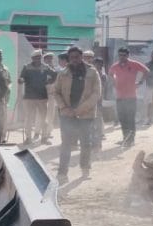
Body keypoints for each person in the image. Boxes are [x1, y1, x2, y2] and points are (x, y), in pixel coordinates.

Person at [53, 46, 101, 182]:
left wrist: (80, 110)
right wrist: (64, 108)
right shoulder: (63, 73)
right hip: (67, 114)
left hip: (86, 115)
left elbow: (96, 93)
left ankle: (85, 169)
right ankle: (62, 173)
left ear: (81, 57)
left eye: (77, 57)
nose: (74, 60)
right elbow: (56, 92)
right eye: (71, 57)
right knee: (66, 144)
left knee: (86, 143)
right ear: (69, 58)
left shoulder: (92, 72)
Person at [109, 47, 149, 147]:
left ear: (128, 55)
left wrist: (140, 82)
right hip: (120, 97)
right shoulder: (115, 66)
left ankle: (131, 139)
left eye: (124, 55)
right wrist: (114, 81)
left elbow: (146, 71)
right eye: (120, 55)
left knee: (130, 118)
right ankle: (125, 138)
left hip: (131, 96)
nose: (122, 57)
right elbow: (110, 74)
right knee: (122, 119)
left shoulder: (134, 64)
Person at [19, 49, 57, 144]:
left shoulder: (45, 67)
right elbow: (22, 77)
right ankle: (28, 138)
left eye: (39, 58)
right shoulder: (26, 67)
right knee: (29, 118)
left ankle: (44, 138)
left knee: (44, 118)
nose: (38, 60)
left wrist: (50, 81)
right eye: (36, 58)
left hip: (42, 97)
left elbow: (55, 74)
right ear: (32, 58)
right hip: (29, 97)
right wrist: (21, 80)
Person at [91, 57, 108, 146]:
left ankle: (100, 135)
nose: (96, 65)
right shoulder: (92, 73)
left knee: (98, 118)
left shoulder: (102, 75)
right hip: (92, 100)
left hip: (98, 100)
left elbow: (102, 88)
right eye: (95, 63)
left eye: (98, 64)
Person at [43, 51, 59, 142]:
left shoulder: (54, 69)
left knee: (51, 113)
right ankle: (39, 132)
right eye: (47, 58)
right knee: (41, 114)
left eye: (51, 58)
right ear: (44, 59)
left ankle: (48, 132)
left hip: (52, 94)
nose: (49, 60)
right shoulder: (41, 68)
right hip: (42, 94)